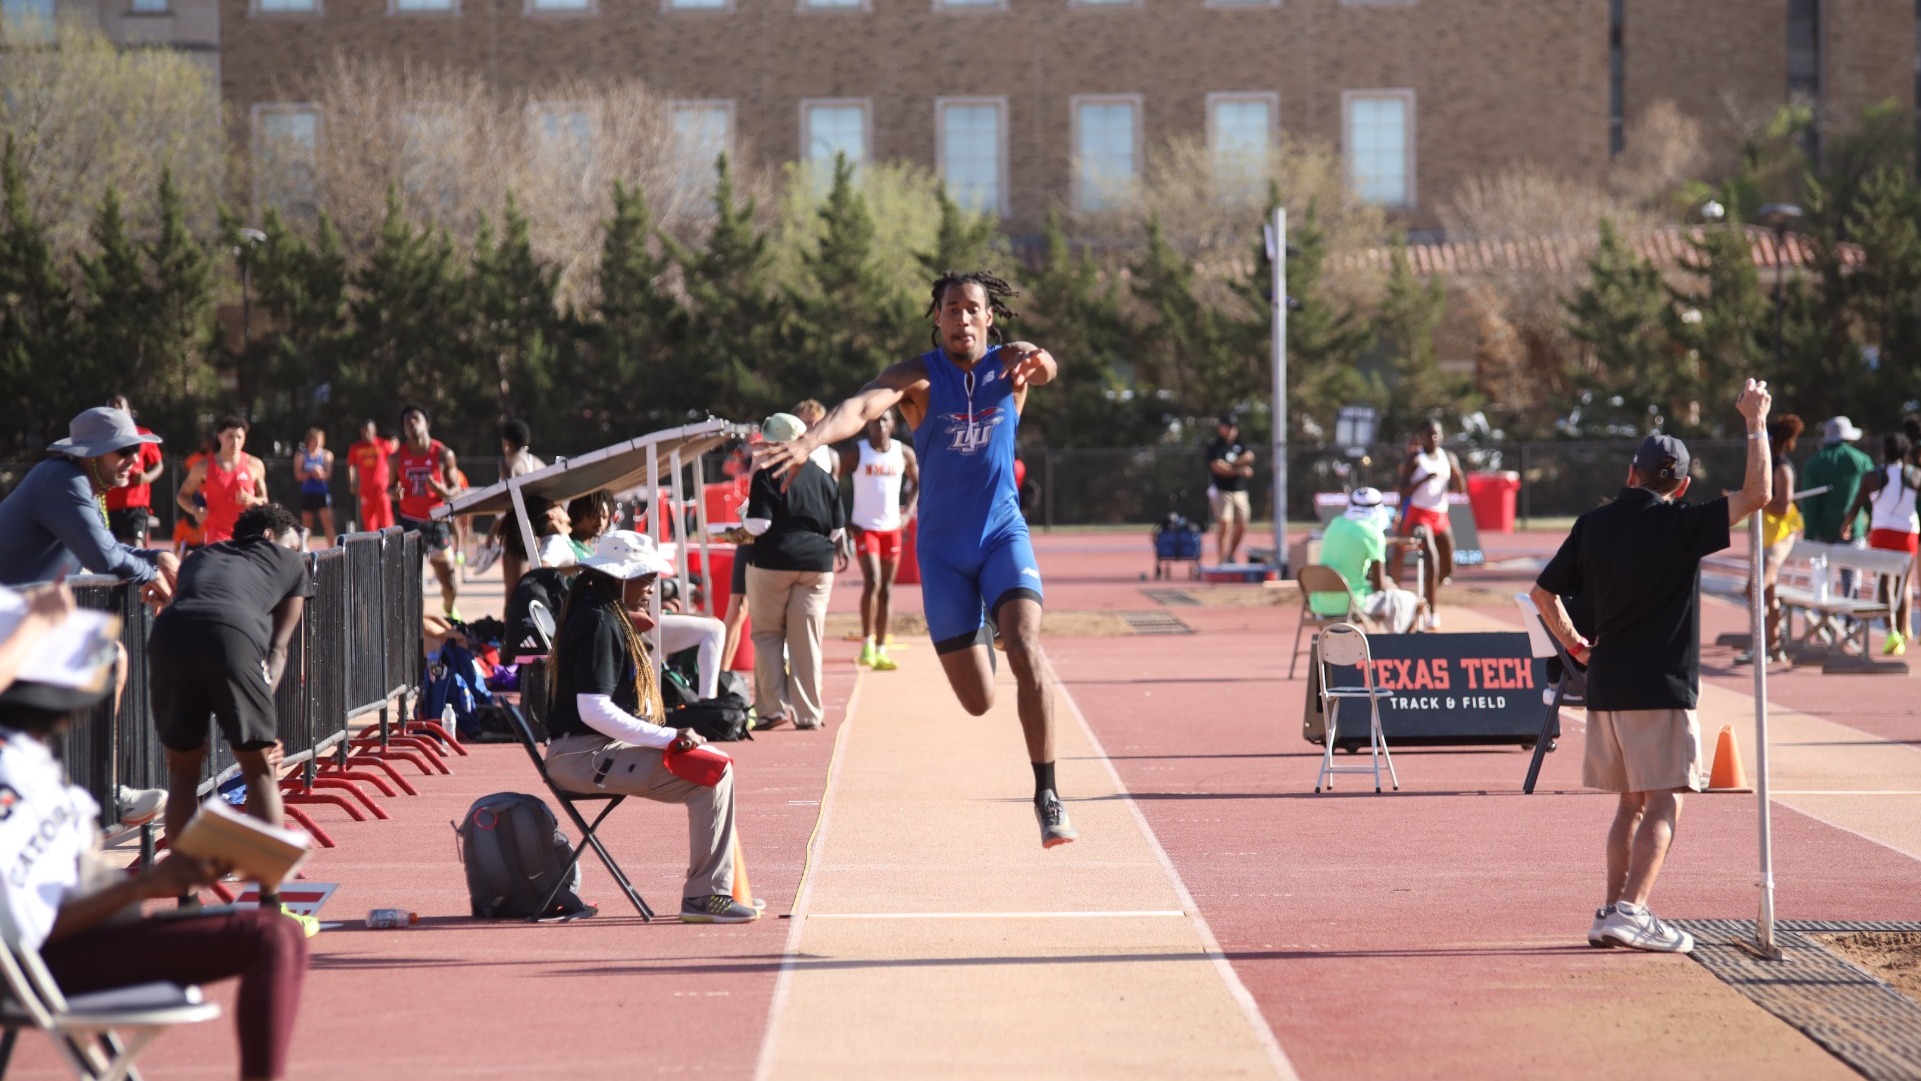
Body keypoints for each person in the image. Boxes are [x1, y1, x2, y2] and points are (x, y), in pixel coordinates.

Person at [756, 270, 1077, 848]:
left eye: (972, 309)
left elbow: (1046, 367)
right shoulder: (917, 381)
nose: (961, 318)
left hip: (1003, 534)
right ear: (938, 317)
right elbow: (858, 407)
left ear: (988, 316)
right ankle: (985, 624)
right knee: (979, 702)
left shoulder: (1010, 366)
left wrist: (1041, 357)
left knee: (1028, 646)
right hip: (945, 554)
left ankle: (1048, 794)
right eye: (951, 309)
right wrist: (808, 441)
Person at [1529, 378, 1773, 955]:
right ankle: (1633, 912)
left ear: (1631, 474)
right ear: (1682, 485)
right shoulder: (1682, 524)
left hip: (1606, 683)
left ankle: (1611, 910)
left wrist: (1576, 645)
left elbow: (1543, 593)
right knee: (1665, 798)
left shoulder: (1594, 523)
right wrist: (1755, 421)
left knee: (1628, 803)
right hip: (1660, 685)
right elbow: (1757, 493)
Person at [0, 686, 309, 1081]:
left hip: (87, 941)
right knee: (273, 937)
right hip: (35, 967)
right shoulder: (12, 771)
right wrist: (140, 887)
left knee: (282, 933)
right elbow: (26, 932)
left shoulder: (34, 761)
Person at [542, 531, 757, 923]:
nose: (652, 586)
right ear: (620, 577)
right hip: (583, 756)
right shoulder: (599, 623)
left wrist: (669, 737)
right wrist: (669, 737)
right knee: (711, 773)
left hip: (584, 751)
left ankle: (712, 892)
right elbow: (593, 709)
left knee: (711, 764)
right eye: (646, 577)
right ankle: (706, 897)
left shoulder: (598, 611)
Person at [150, 502, 317, 936]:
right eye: (292, 544)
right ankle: (270, 909)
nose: (296, 552)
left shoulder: (201, 555)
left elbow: (190, 601)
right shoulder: (290, 562)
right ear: (268, 537)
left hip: (169, 637)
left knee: (183, 772)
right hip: (232, 635)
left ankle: (187, 906)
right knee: (259, 769)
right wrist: (261, 717)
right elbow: (278, 648)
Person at [0, 406, 179, 604]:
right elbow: (105, 558)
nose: (135, 459)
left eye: (136, 448)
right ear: (91, 453)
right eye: (124, 450)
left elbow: (107, 548)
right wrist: (151, 575)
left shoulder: (77, 484)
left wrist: (157, 558)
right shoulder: (62, 480)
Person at [745, 413, 843, 731]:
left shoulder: (766, 475)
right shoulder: (825, 478)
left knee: (768, 635)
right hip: (817, 567)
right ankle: (809, 713)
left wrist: (741, 523)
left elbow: (759, 524)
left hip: (773, 562)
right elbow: (836, 531)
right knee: (807, 640)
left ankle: (772, 710)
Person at [840, 410, 919, 670]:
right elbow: (831, 478)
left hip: (891, 528)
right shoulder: (857, 452)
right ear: (868, 424)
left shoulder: (903, 452)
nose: (880, 424)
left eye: (885, 419)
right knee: (872, 580)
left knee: (885, 587)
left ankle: (881, 649)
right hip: (865, 528)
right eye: (876, 420)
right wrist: (842, 517)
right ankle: (866, 644)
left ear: (893, 424)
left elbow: (918, 481)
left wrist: (908, 512)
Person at [1842, 432, 1920, 655]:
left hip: (1882, 533)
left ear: (1884, 451)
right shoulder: (1915, 476)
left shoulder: (1871, 477)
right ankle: (1903, 631)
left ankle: (1891, 632)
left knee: (1885, 583)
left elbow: (1856, 505)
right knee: (1903, 584)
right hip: (1908, 534)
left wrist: (1845, 526)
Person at [1307, 487, 1426, 635]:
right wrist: (1392, 586)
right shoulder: (1373, 534)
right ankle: (1399, 649)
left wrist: (1395, 542)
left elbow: (1358, 539)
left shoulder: (1335, 524)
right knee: (1417, 603)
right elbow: (1379, 584)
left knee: (1386, 594)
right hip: (1352, 604)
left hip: (1320, 604)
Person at [1736, 415, 1804, 666]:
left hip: (1781, 535)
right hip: (1766, 533)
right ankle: (1774, 644)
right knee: (1767, 594)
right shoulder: (1765, 465)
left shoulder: (1782, 468)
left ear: (1771, 440)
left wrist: (1758, 503)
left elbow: (1783, 508)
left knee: (1754, 590)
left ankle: (1760, 644)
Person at [1392, 418, 1466, 629]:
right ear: (1421, 437)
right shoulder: (1415, 460)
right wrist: (1423, 481)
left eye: (1436, 434)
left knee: (1448, 566)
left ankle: (1423, 598)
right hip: (1419, 515)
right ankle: (1433, 612)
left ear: (1441, 436)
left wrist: (1458, 473)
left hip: (1440, 515)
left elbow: (1461, 490)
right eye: (1428, 435)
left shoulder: (1448, 457)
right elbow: (1402, 490)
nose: (1433, 439)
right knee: (1431, 556)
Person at [392, 405, 461, 618]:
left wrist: (442, 491)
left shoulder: (443, 454)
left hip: (436, 521)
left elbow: (456, 488)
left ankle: (449, 608)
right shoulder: (396, 457)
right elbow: (389, 487)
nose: (411, 423)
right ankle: (417, 625)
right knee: (412, 582)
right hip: (409, 523)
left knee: (449, 579)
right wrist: (394, 493)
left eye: (415, 418)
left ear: (427, 423)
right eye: (407, 421)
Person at [1798, 416, 1875, 603]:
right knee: (1850, 581)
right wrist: (1871, 524)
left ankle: (1825, 626)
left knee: (1821, 584)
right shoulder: (1862, 460)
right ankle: (1851, 625)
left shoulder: (1814, 463)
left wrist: (1809, 534)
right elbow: (1871, 498)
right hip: (1853, 531)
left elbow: (1809, 503)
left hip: (1821, 532)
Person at [177, 415, 269, 546]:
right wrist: (195, 510)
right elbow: (182, 495)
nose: (235, 441)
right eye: (230, 436)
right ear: (220, 437)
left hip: (248, 537)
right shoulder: (203, 466)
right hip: (216, 538)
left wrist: (251, 500)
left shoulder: (254, 465)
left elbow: (265, 500)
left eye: (239, 437)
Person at [492, 419, 548, 596]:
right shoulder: (539, 464)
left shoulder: (509, 464)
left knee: (514, 592)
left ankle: (511, 623)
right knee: (535, 589)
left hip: (518, 533)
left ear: (506, 443)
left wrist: (493, 532)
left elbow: (506, 503)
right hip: (541, 531)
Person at [102, 394, 164, 548]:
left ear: (129, 411)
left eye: (119, 406)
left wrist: (147, 477)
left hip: (136, 506)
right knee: (112, 553)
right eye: (111, 407)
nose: (116, 409)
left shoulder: (143, 435)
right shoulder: (101, 439)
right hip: (109, 506)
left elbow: (159, 465)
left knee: (136, 548)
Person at [1205, 414, 1255, 564]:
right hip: (1222, 490)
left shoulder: (1240, 444)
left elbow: (1249, 456)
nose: (1231, 431)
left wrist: (1230, 465)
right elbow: (1218, 467)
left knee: (1243, 522)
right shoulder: (1216, 446)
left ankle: (1230, 555)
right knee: (1225, 524)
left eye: (1233, 428)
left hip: (1239, 490)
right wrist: (1238, 469)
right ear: (1221, 428)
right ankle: (1221, 560)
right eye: (1228, 427)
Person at [345, 420, 399, 532]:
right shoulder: (356, 448)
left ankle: (389, 548)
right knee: (369, 525)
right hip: (365, 492)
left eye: (368, 431)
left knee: (386, 523)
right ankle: (373, 549)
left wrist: (395, 483)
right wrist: (352, 483)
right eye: (364, 432)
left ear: (374, 431)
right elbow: (351, 466)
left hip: (382, 491)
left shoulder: (384, 445)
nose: (366, 434)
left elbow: (394, 463)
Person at [173, 430, 217, 553]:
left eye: (207, 440)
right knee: (198, 513)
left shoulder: (218, 456)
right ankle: (191, 540)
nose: (204, 443)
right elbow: (187, 469)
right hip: (201, 494)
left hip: (215, 494)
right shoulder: (195, 458)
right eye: (203, 440)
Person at [294, 428, 335, 548]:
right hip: (308, 493)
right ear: (309, 440)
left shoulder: (327, 455)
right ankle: (306, 551)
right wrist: (311, 473)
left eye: (319, 440)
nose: (317, 442)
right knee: (307, 527)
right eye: (314, 439)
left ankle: (334, 551)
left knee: (328, 525)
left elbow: (328, 475)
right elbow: (298, 476)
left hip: (322, 494)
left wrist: (320, 474)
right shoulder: (301, 456)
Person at [793, 399, 839, 479]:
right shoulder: (784, 452)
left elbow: (834, 488)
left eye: (818, 423)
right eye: (808, 422)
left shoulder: (832, 455)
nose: (813, 427)